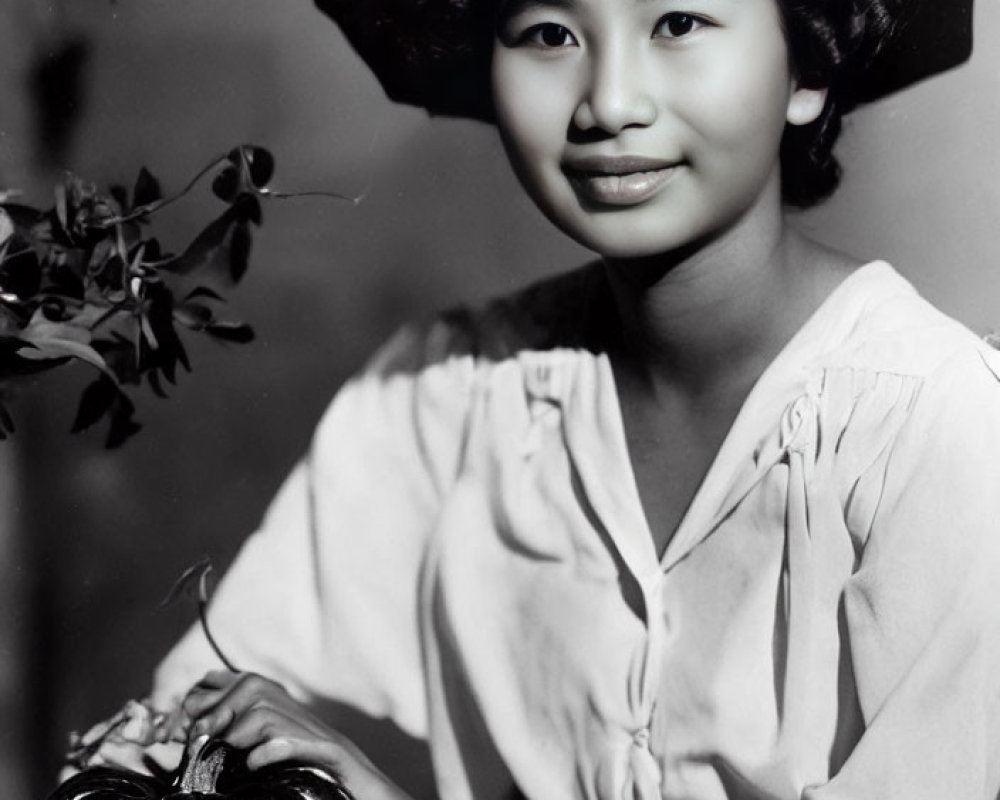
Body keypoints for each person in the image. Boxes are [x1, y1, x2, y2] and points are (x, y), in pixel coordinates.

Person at [69, 0, 998, 798]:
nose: (609, 104)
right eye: (550, 33)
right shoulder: (453, 395)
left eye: (677, 22)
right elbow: (189, 711)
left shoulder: (933, 428)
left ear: (809, 69)